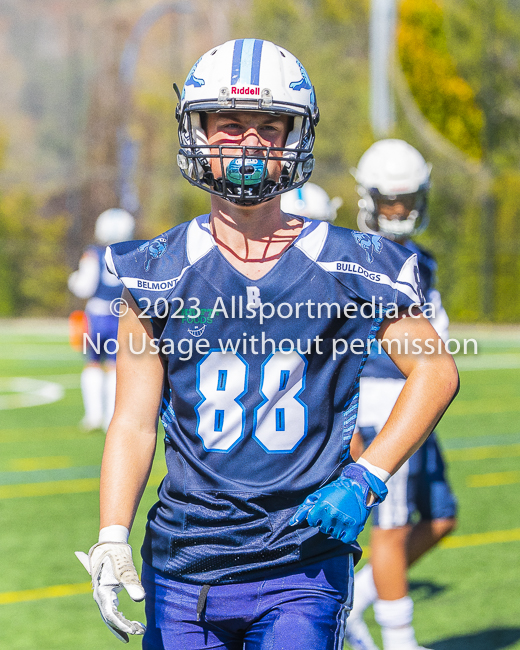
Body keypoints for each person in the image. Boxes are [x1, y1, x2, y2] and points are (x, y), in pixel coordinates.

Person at [75, 41, 458, 650]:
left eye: (269, 126)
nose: (250, 144)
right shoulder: (156, 268)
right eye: (230, 125)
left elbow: (435, 370)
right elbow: (132, 422)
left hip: (299, 561)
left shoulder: (350, 261)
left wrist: (367, 476)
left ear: (295, 137)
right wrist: (113, 533)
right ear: (197, 131)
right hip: (183, 560)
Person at [344, 139, 458, 650]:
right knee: (387, 531)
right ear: (367, 198)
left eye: (405, 201)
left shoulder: (421, 259)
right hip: (378, 403)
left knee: (440, 518)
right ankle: (400, 642)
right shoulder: (348, 258)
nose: (397, 211)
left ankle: (357, 599)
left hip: (419, 404)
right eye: (388, 200)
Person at [68, 208, 135, 431]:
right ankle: (110, 417)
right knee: (115, 367)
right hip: (121, 315)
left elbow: (84, 287)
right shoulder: (131, 253)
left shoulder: (93, 254)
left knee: (93, 363)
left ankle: (93, 416)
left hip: (97, 315)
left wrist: (73, 280)